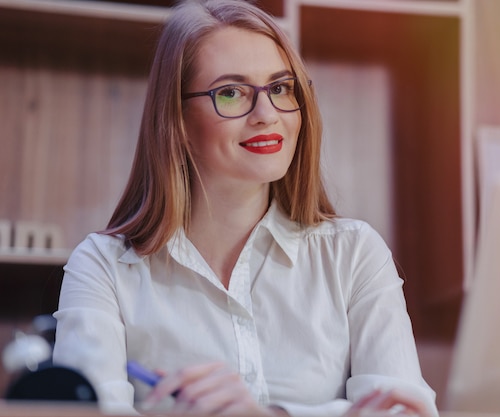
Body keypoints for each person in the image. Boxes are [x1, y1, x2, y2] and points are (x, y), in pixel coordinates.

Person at [52, 0, 439, 416]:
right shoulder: (103, 268)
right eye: (231, 93)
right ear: (177, 120)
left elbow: (407, 411)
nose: (267, 114)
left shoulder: (354, 254)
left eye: (280, 88)